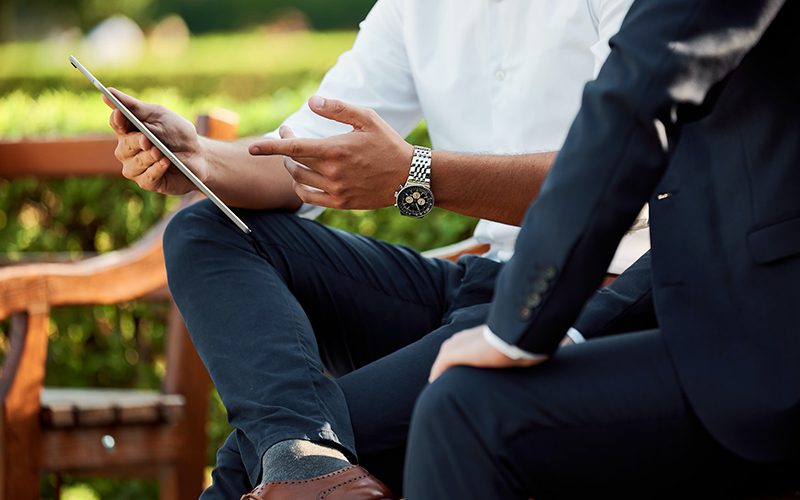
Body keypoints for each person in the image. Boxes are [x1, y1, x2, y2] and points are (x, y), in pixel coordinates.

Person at [106, 0, 644, 497]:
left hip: (593, 293)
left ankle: (303, 460)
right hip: (481, 279)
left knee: (246, 466)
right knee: (205, 230)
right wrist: (198, 158)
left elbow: (622, 171)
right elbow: (303, 154)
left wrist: (419, 173)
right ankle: (305, 455)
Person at [403, 0, 800, 498]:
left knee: (463, 410)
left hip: (768, 342)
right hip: (718, 314)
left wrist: (516, 327)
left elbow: (636, 96)